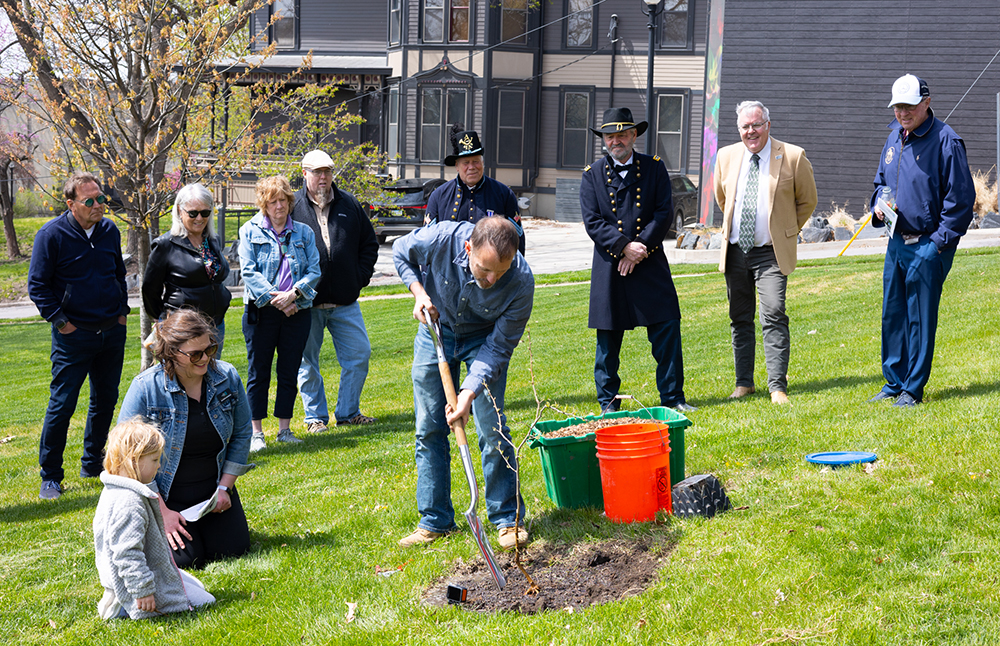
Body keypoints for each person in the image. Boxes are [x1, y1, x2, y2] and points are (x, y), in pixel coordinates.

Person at [392, 218, 533, 550]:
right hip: (436, 331)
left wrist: (468, 393)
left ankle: (507, 518)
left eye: (501, 270)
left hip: (483, 340)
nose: (492, 279)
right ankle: (435, 520)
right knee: (429, 427)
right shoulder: (442, 238)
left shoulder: (521, 281)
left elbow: (499, 347)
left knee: (491, 427)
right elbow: (401, 251)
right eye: (485, 269)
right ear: (468, 248)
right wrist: (419, 293)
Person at [118, 308, 254, 569]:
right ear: (171, 353)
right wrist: (162, 513)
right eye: (195, 354)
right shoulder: (146, 387)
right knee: (186, 561)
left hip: (213, 493)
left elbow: (242, 433)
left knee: (233, 551)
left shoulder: (227, 377)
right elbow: (125, 455)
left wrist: (225, 488)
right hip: (165, 497)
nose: (205, 359)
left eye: (210, 349)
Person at [869, 74, 975, 407]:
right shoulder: (893, 138)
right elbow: (879, 184)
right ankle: (893, 382)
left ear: (926, 102)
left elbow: (960, 202)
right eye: (898, 106)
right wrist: (878, 206)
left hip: (930, 244)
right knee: (893, 314)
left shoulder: (947, 141)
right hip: (896, 242)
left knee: (919, 316)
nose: (903, 112)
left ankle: (912, 389)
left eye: (909, 106)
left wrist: (937, 244)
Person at [579, 107, 694, 414]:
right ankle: (608, 402)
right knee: (607, 341)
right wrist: (623, 247)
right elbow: (593, 222)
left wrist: (640, 246)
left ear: (633, 136)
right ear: (604, 140)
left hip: (649, 260)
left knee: (667, 327)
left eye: (621, 134)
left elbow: (663, 212)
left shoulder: (654, 168)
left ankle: (673, 398)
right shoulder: (591, 176)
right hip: (611, 266)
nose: (615, 141)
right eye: (609, 136)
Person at [28, 171, 129, 500]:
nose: (99, 205)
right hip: (73, 336)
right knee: (62, 404)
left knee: (105, 401)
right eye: (90, 201)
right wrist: (62, 323)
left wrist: (122, 315)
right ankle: (51, 477)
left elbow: (118, 273)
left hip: (110, 332)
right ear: (71, 204)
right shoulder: (51, 236)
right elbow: (38, 287)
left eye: (101, 198)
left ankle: (92, 463)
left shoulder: (109, 230)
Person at [714, 101, 818, 405]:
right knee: (739, 317)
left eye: (756, 125)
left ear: (768, 125)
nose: (751, 131)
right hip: (735, 250)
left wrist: (785, 229)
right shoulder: (726, 156)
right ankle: (743, 383)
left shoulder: (792, 156)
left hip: (770, 253)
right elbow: (724, 200)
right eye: (745, 126)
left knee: (772, 313)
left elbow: (807, 200)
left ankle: (777, 387)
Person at [291, 150, 379, 433]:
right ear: (304, 173)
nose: (323, 177)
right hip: (307, 302)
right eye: (316, 172)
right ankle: (314, 417)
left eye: (327, 171)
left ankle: (348, 411)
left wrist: (359, 278)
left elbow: (369, 244)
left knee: (359, 354)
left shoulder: (349, 204)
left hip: (345, 300)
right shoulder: (292, 206)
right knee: (307, 362)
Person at [93, 417, 215, 619]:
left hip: (141, 571)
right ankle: (122, 606)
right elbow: (126, 553)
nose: (159, 466)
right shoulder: (129, 502)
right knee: (206, 600)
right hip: (132, 584)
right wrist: (143, 591)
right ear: (134, 460)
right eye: (155, 460)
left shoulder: (116, 488)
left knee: (196, 585)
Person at [239, 175, 321, 449]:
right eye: (273, 201)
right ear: (264, 204)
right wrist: (279, 300)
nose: (279, 207)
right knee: (258, 371)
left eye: (283, 200)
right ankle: (256, 433)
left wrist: (293, 295)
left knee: (289, 371)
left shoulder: (304, 232)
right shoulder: (249, 231)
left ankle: (284, 429)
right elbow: (249, 271)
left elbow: (314, 271)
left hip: (297, 310)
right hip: (262, 312)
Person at [142, 183, 231, 350]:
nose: (199, 218)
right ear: (179, 211)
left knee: (211, 374)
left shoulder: (212, 241)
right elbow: (150, 289)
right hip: (183, 329)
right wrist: (160, 320)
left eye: (205, 212)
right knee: (184, 375)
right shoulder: (165, 245)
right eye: (193, 213)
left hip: (215, 325)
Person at [425, 127, 526, 254]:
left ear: (483, 163)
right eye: (466, 162)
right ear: (457, 166)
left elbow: (517, 239)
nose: (471, 167)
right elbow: (426, 241)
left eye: (476, 161)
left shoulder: (503, 194)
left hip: (491, 271)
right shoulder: (438, 196)